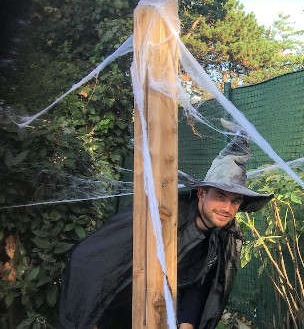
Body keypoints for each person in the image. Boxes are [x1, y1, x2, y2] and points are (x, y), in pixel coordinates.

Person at [59, 119, 272, 329]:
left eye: (235, 201)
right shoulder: (165, 215)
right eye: (220, 196)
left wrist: (187, 323)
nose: (227, 208)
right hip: (110, 313)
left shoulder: (220, 235)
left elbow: (200, 285)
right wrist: (91, 321)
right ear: (201, 193)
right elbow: (90, 260)